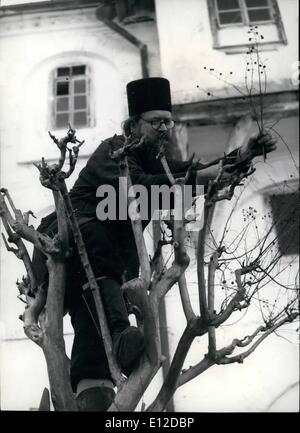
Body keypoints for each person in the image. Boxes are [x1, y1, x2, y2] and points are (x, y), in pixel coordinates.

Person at [32, 77, 276, 411]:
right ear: (133, 125)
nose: (164, 128)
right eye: (156, 122)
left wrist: (245, 155)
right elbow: (143, 188)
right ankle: (119, 335)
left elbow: (199, 173)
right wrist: (190, 180)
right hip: (70, 242)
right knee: (103, 297)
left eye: (168, 121)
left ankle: (96, 391)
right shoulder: (114, 152)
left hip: (100, 270)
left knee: (92, 325)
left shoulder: (156, 161)